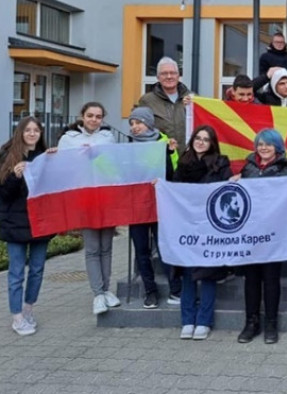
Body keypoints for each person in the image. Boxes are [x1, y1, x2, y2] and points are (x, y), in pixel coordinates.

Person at [235, 129, 287, 344]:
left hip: (274, 233)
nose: (263, 148)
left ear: (277, 147)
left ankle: (271, 323)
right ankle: (251, 322)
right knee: (251, 279)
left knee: (271, 279)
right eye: (260, 144)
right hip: (252, 232)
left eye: (268, 144)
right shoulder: (248, 168)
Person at [57, 102, 119, 315]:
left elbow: (113, 164)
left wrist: (97, 155)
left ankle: (106, 289)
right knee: (92, 248)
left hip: (105, 198)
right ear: (82, 116)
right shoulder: (68, 139)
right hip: (84, 198)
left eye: (98, 116)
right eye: (90, 115)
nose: (94, 119)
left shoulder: (107, 137)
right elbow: (63, 166)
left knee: (106, 247)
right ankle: (97, 293)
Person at [173, 125, 233, 340]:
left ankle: (204, 321)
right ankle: (187, 320)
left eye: (205, 140)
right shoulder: (183, 161)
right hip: (188, 226)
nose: (200, 142)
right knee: (188, 274)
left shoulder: (221, 162)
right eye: (198, 138)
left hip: (211, 227)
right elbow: (175, 188)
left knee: (207, 274)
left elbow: (225, 191)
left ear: (212, 143)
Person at [0, 117, 53, 335]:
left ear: (41, 134)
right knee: (16, 272)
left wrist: (56, 160)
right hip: (15, 224)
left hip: (41, 223)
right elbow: (3, 195)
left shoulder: (46, 157)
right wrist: (14, 176)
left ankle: (28, 309)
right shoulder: (7, 157)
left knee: (38, 270)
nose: (32, 134)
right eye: (28, 130)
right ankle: (17, 317)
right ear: (20, 132)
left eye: (36, 130)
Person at [127, 107, 181, 309]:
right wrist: (94, 157)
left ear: (149, 123)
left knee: (165, 247)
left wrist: (172, 152)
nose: (135, 127)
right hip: (137, 205)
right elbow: (115, 171)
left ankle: (175, 289)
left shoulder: (164, 143)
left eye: (138, 122)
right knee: (142, 250)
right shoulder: (128, 145)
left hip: (161, 204)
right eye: (132, 124)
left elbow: (174, 172)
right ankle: (150, 291)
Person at [139, 57, 192, 152]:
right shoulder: (147, 101)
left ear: (178, 76)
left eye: (173, 73)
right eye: (164, 73)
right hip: (161, 157)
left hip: (187, 158)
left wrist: (190, 108)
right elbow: (140, 130)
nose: (169, 76)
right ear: (158, 77)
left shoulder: (192, 98)